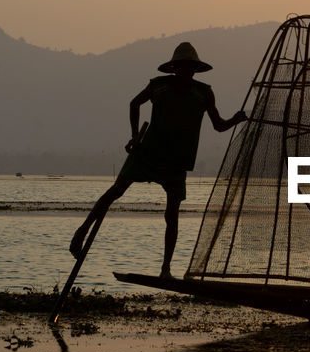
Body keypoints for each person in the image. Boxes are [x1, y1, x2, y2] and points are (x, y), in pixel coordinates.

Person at [69, 42, 245, 278]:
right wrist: (134, 137)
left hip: (177, 160)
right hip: (148, 151)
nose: (185, 72)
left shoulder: (203, 93)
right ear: (174, 69)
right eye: (181, 68)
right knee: (116, 191)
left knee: (172, 214)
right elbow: (134, 103)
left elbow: (219, 125)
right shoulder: (159, 86)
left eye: (189, 68)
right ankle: (81, 233)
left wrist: (237, 119)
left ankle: (166, 269)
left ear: (194, 70)